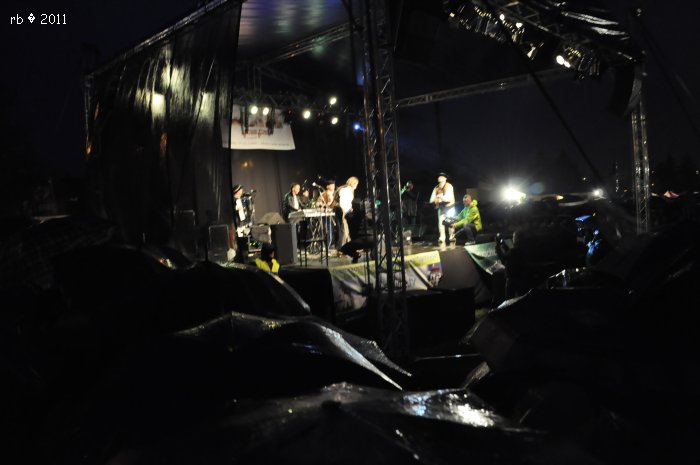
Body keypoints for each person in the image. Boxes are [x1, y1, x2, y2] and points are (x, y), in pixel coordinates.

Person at [429, 173, 455, 244]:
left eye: (441, 176)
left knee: (450, 221)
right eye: (439, 176)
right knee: (440, 223)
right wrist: (436, 198)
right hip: (441, 207)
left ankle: (452, 236)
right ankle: (442, 237)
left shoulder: (449, 186)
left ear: (445, 178)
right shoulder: (436, 188)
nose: (439, 177)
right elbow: (431, 200)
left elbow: (447, 198)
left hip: (449, 207)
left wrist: (439, 196)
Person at [335, 176, 359, 248]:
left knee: (346, 230)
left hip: (344, 211)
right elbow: (343, 202)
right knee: (344, 230)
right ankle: (342, 247)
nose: (356, 186)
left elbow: (347, 202)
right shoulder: (346, 190)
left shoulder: (347, 190)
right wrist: (345, 212)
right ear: (353, 183)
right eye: (356, 184)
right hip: (343, 211)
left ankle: (347, 246)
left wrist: (350, 207)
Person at [231, 184, 251, 263]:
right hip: (238, 225)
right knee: (241, 241)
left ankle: (246, 256)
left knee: (246, 240)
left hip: (244, 224)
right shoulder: (233, 200)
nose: (242, 191)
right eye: (240, 190)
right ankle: (241, 257)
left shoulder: (243, 199)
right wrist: (236, 208)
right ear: (237, 191)